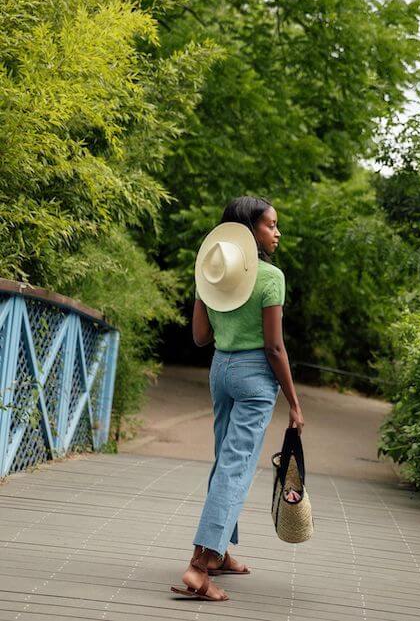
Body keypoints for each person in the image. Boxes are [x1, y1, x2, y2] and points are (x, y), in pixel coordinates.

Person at [171, 196, 304, 602]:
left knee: (224, 461)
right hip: (253, 378)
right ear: (250, 230)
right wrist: (294, 403)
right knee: (236, 467)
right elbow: (275, 348)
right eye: (271, 225)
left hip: (221, 371)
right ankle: (198, 565)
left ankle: (221, 553)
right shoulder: (270, 278)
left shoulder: (213, 273)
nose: (277, 233)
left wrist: (207, 291)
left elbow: (199, 337)